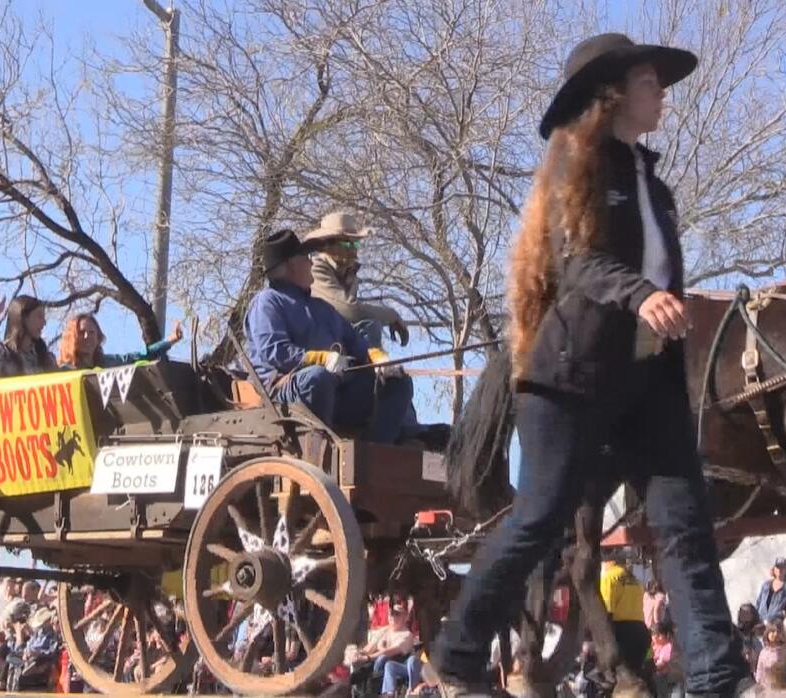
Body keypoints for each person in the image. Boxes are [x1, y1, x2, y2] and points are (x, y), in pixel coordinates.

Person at [431, 33, 750, 697]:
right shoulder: (578, 164)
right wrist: (644, 296)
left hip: (647, 383)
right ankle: (458, 655)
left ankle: (717, 678)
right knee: (540, 517)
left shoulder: (652, 186)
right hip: (569, 376)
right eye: (647, 81)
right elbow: (579, 261)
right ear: (610, 95)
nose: (661, 93)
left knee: (686, 523)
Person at [244, 229, 414, 444]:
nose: (311, 262)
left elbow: (357, 342)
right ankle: (319, 448)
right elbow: (274, 351)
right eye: (306, 258)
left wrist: (380, 360)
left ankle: (373, 452)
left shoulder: (322, 308)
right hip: (284, 394)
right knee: (318, 377)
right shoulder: (267, 302)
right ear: (292, 265)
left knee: (398, 383)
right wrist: (323, 359)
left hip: (337, 391)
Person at [304, 211, 409, 347]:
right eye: (347, 245)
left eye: (356, 244)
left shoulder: (350, 273)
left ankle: (374, 364)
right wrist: (392, 316)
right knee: (369, 324)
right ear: (327, 246)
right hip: (316, 344)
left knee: (371, 326)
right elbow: (350, 310)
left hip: (340, 337)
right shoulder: (316, 268)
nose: (354, 250)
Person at [0, 286, 58, 377]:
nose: (44, 322)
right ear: (23, 318)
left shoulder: (46, 358)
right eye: (39, 316)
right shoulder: (4, 354)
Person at [58, 313, 184, 369]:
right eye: (81, 333)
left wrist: (169, 341)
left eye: (92, 332)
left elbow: (137, 357)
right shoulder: (63, 371)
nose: (87, 337)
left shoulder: (108, 363)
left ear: (98, 338)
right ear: (72, 338)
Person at [599, 556, 649, 672]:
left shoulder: (609, 577)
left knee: (619, 676)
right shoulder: (635, 580)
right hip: (640, 630)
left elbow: (606, 611)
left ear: (608, 562)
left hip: (621, 632)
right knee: (636, 673)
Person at [755, 558, 786, 624]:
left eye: (783, 568)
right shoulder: (766, 585)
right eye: (778, 567)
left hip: (775, 624)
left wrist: (778, 616)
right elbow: (758, 602)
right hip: (760, 621)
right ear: (774, 569)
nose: (780, 570)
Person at [753, 624, 783, 689]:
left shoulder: (783, 651)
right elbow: (760, 669)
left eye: (777, 632)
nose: (775, 634)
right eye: (772, 632)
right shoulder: (763, 652)